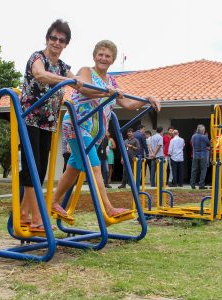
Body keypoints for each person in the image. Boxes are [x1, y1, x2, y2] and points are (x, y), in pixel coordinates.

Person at [52, 39, 161, 221]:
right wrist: (106, 92)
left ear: (112, 60)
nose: (103, 58)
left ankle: (52, 202)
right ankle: (108, 209)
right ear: (94, 56)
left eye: (107, 56)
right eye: (100, 54)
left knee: (73, 168)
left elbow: (127, 103)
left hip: (94, 133)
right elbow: (85, 89)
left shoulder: (112, 81)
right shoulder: (86, 71)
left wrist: (146, 98)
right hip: (78, 125)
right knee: (95, 167)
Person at [19, 19, 83, 231]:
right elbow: (40, 74)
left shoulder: (64, 67)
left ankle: (23, 213)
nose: (56, 42)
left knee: (40, 168)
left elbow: (81, 85)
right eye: (53, 38)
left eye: (61, 40)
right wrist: (67, 81)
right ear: (47, 39)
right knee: (33, 168)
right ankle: (37, 218)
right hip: (29, 118)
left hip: (48, 123)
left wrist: (108, 92)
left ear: (66, 44)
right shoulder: (38, 57)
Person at [190, 125, 211, 189]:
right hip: (203, 155)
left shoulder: (193, 136)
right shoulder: (204, 137)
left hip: (195, 155)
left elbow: (192, 143)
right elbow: (209, 144)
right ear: (203, 130)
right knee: (203, 170)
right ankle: (201, 184)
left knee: (194, 170)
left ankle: (192, 184)